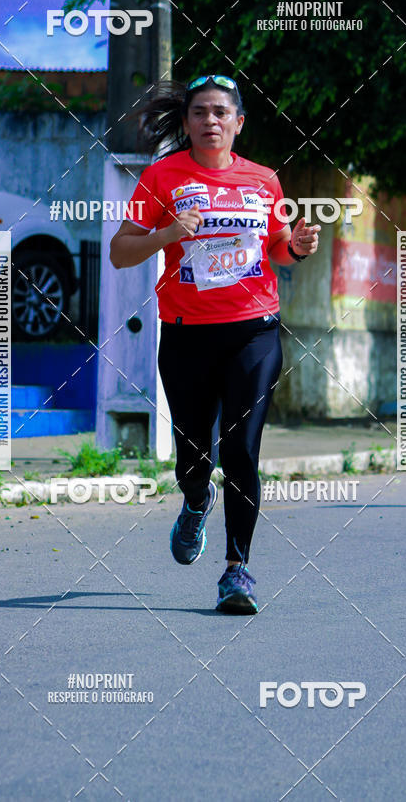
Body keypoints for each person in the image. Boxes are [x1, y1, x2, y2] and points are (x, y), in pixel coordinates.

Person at [110, 75, 320, 614]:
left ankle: (236, 571)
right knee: (193, 455)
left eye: (221, 112)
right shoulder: (162, 176)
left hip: (254, 329)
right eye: (200, 112)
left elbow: (277, 247)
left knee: (242, 449)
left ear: (238, 123)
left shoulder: (263, 180)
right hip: (187, 334)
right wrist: (166, 234)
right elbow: (119, 252)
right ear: (186, 123)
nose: (210, 120)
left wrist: (297, 247)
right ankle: (196, 499)